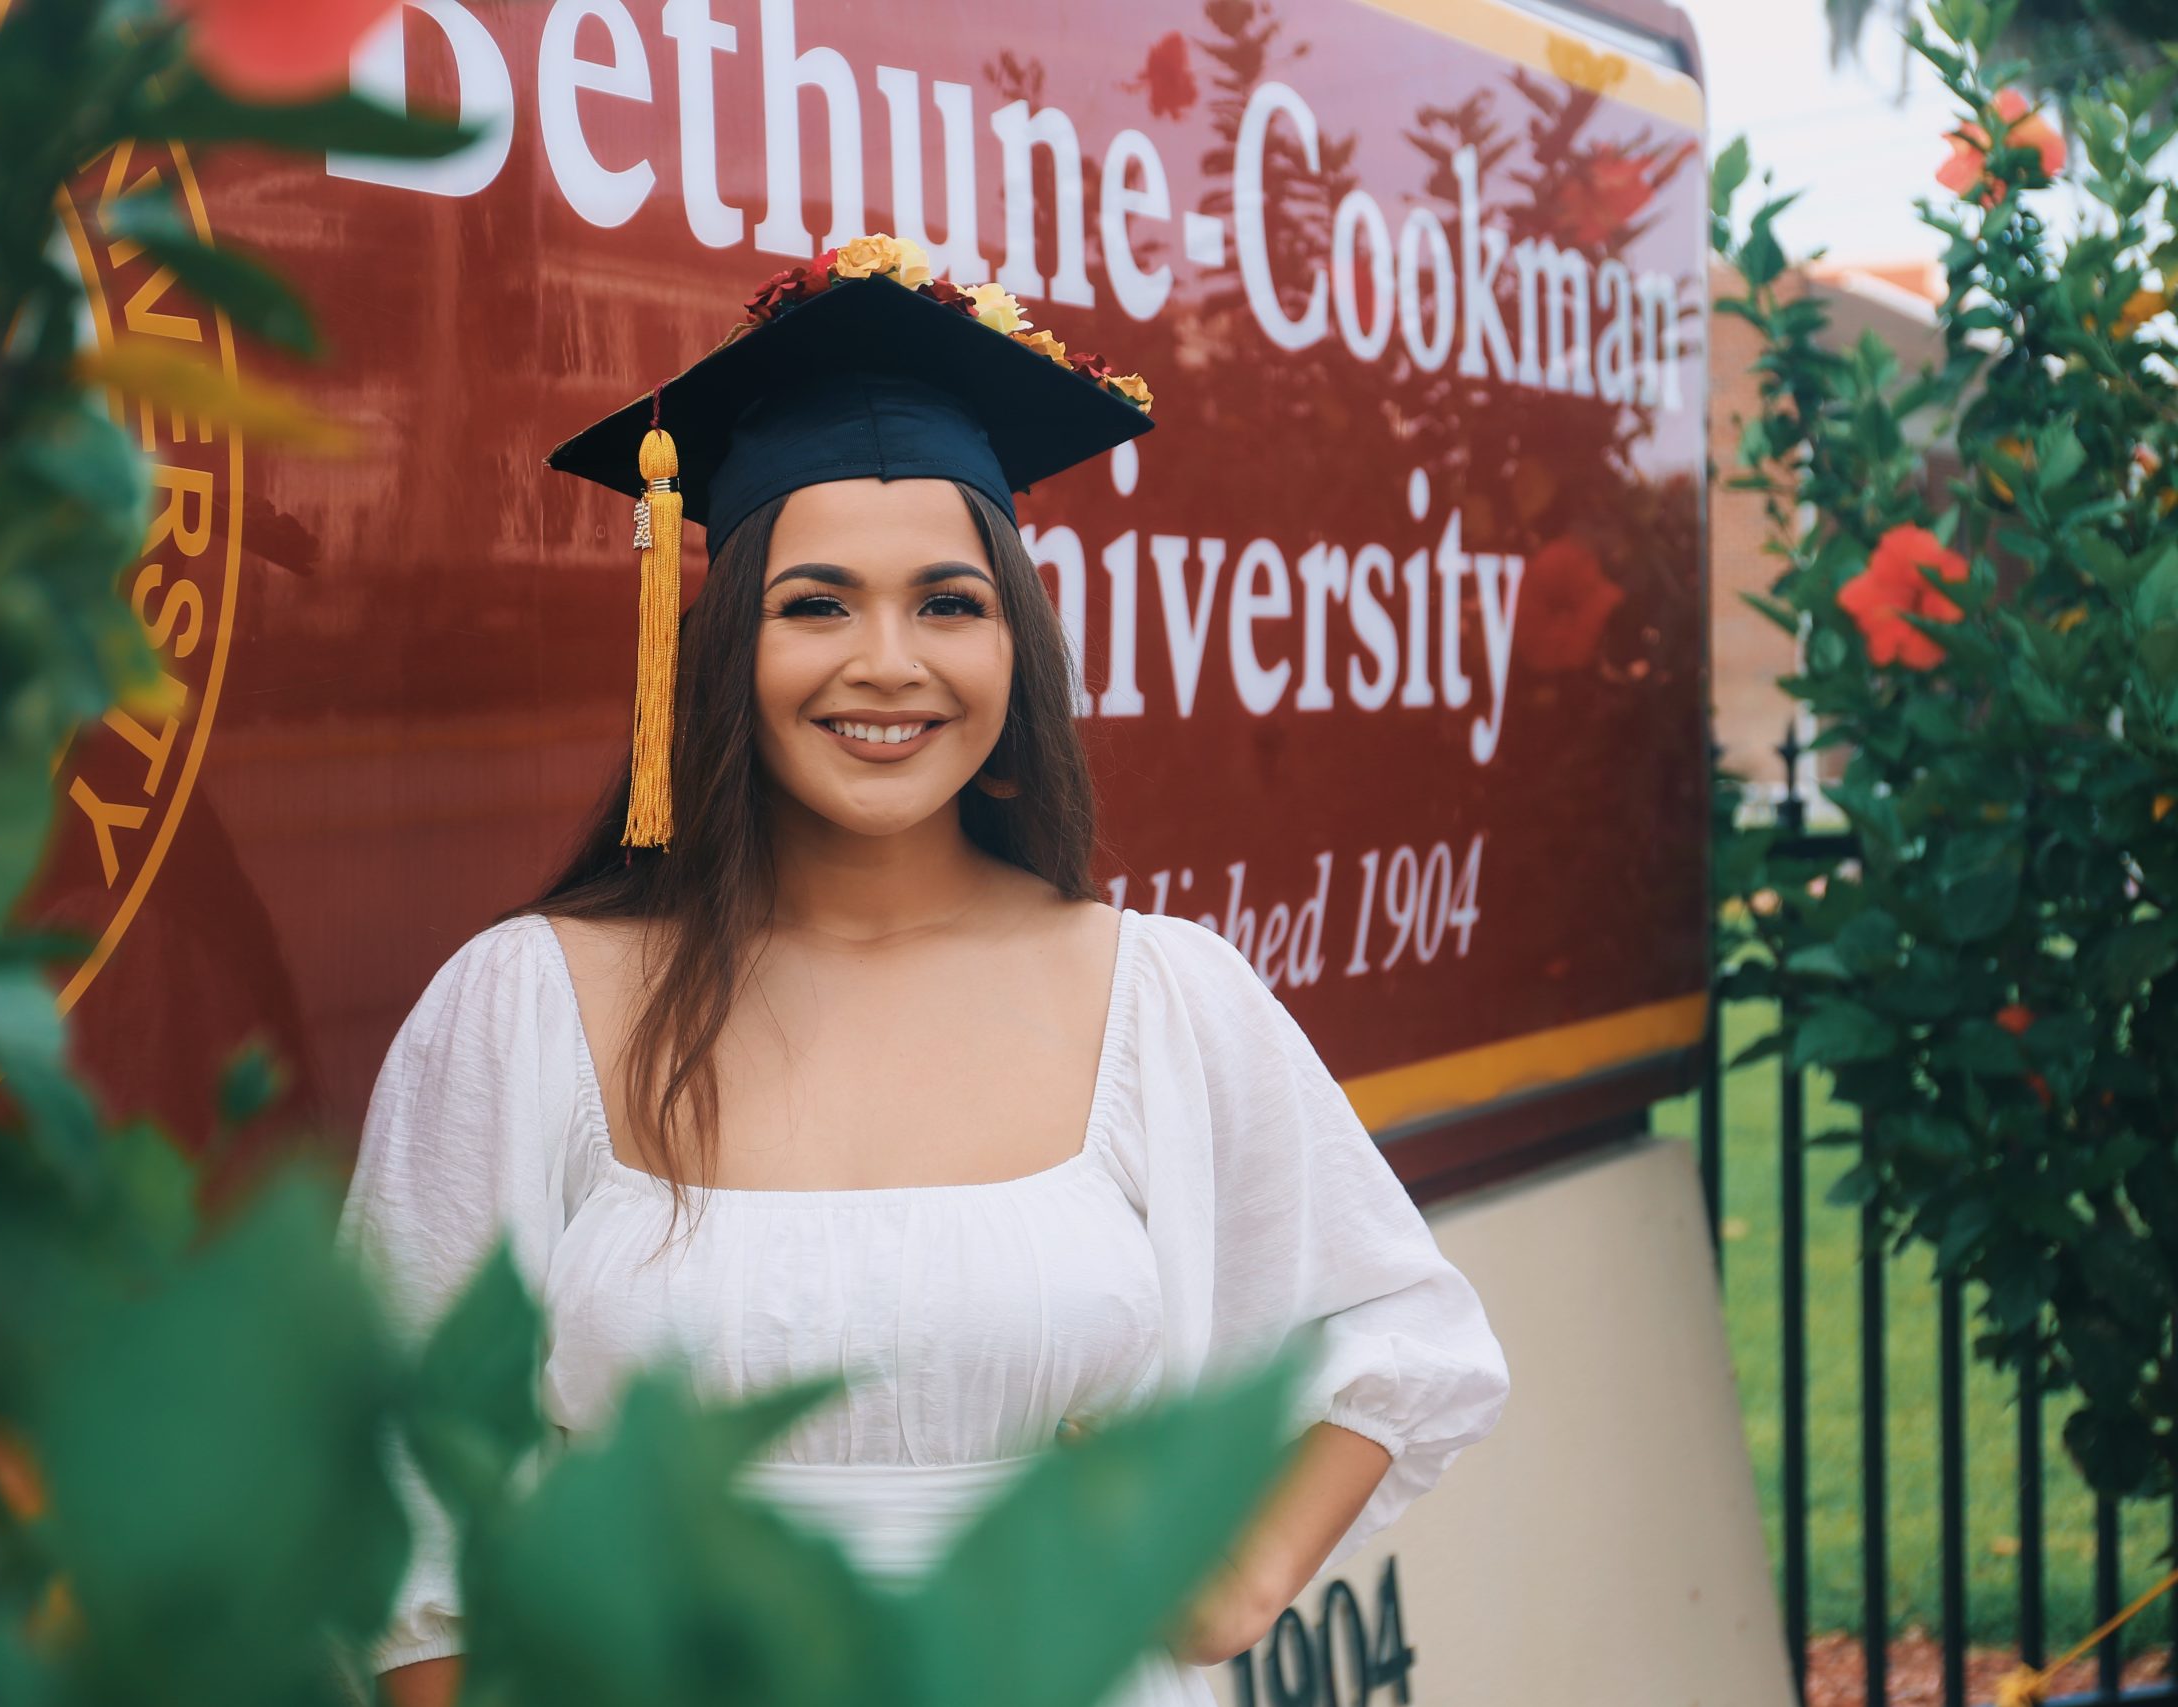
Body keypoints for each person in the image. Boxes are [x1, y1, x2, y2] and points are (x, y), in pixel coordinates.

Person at [338, 236, 1511, 1707]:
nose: (887, 662)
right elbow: (409, 1494)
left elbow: (1406, 1333)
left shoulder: (1161, 998)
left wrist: (1228, 1581)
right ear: (714, 648)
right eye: (815, 604)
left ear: (1015, 641)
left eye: (949, 604)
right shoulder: (525, 1012)